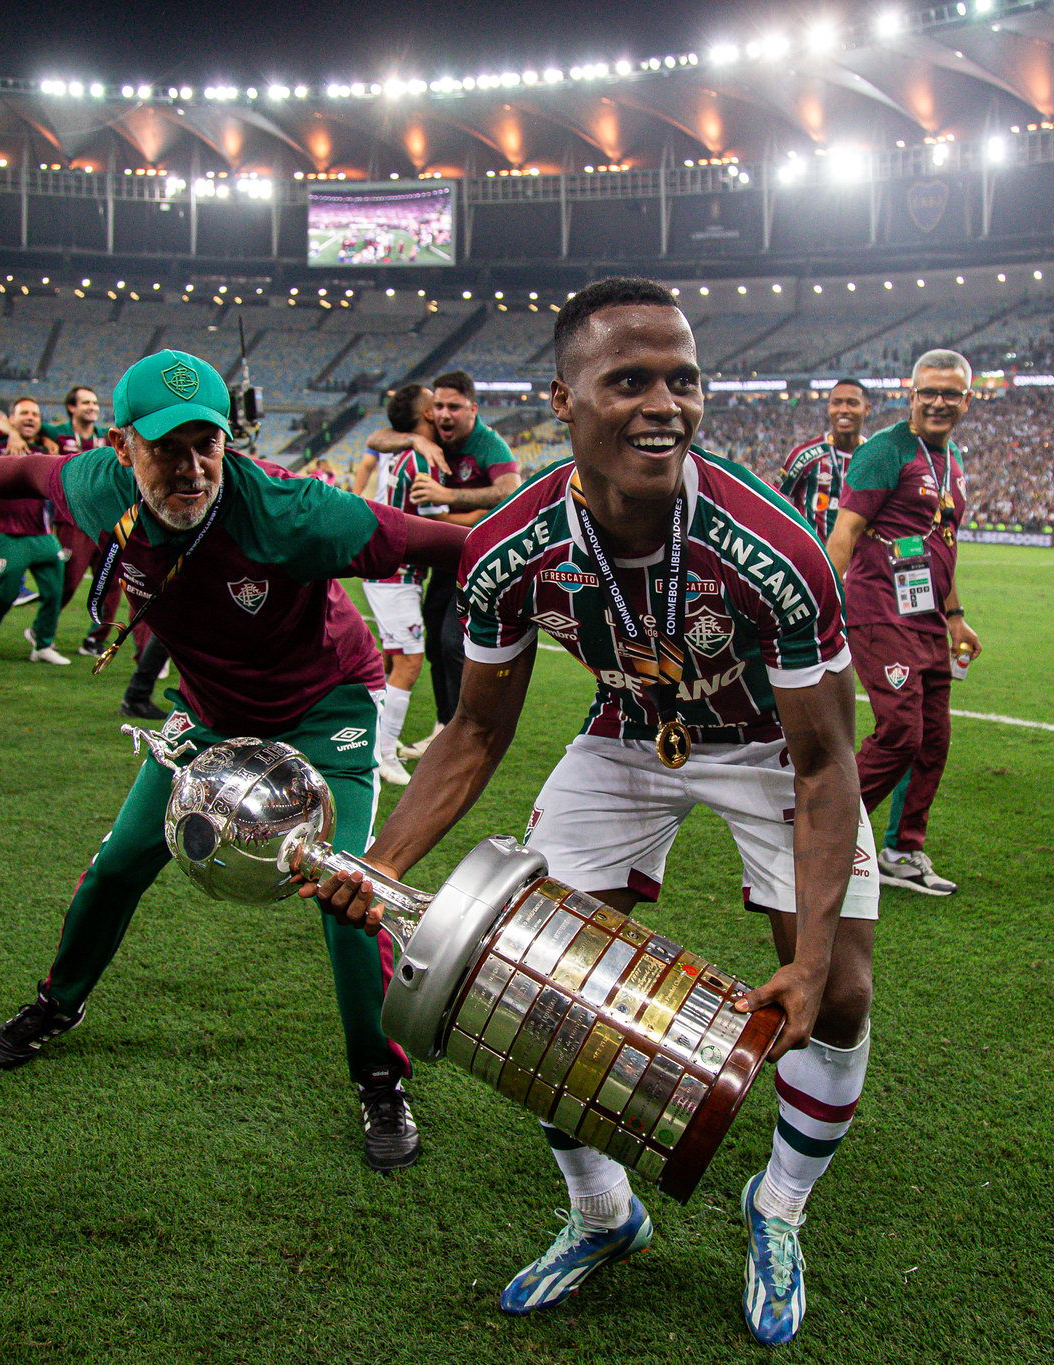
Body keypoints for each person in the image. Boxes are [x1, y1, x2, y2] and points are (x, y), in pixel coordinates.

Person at [303, 278, 879, 1348]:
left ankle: (778, 1204)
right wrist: (373, 862)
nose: (664, 404)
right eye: (628, 381)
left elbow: (822, 762)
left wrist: (800, 954)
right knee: (524, 977)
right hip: (627, 735)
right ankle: (602, 1215)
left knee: (837, 992)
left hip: (763, 747)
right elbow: (471, 735)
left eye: (682, 381)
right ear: (561, 399)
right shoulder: (504, 553)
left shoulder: (774, 549)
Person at [0, 350, 468, 1172]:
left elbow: (442, 541)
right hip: (211, 710)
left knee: (348, 890)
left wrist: (550, 568)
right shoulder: (96, 485)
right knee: (120, 861)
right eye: (166, 447)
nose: (191, 469)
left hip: (322, 704)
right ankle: (58, 1003)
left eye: (208, 444)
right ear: (122, 446)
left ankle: (378, 1076)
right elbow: (26, 469)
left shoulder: (294, 512)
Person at [823, 353, 983, 898]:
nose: (940, 402)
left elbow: (944, 544)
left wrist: (957, 617)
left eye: (952, 394)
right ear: (910, 394)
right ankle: (824, 835)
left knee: (933, 740)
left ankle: (901, 850)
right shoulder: (883, 451)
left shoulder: (952, 462)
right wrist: (822, 607)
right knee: (901, 732)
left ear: (967, 399)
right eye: (929, 392)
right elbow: (844, 535)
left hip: (929, 622)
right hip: (879, 612)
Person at [366, 371, 519, 748]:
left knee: (452, 643)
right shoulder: (432, 441)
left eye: (453, 406)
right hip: (444, 561)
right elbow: (375, 439)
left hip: (480, 562)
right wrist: (415, 437)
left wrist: (445, 496)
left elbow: (509, 490)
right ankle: (442, 725)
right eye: (439, 406)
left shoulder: (488, 443)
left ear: (472, 409)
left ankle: (463, 731)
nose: (445, 414)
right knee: (434, 643)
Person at [361, 384, 465, 785]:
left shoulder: (396, 452)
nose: (439, 413)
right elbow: (436, 523)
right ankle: (385, 756)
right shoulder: (422, 459)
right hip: (396, 574)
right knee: (408, 661)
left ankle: (376, 745)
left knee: (391, 660)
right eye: (432, 406)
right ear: (425, 417)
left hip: (386, 569)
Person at [0, 397, 71, 666]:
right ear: (12, 418)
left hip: (42, 534)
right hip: (7, 533)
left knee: (54, 592)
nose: (30, 418)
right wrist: (10, 431)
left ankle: (42, 644)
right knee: (6, 593)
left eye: (36, 414)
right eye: (24, 413)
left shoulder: (45, 446)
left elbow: (62, 431)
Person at [42, 385, 112, 658]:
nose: (92, 407)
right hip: (72, 519)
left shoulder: (107, 436)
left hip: (107, 521)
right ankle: (42, 630)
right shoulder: (54, 434)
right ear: (71, 407)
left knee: (111, 584)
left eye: (95, 402)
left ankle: (96, 639)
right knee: (68, 582)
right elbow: (8, 423)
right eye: (86, 403)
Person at [778, 378, 869, 541]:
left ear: (866, 409)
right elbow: (775, 502)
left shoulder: (876, 458)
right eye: (837, 403)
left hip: (860, 563)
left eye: (852, 403)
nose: (844, 410)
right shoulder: (805, 455)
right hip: (813, 561)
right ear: (829, 408)